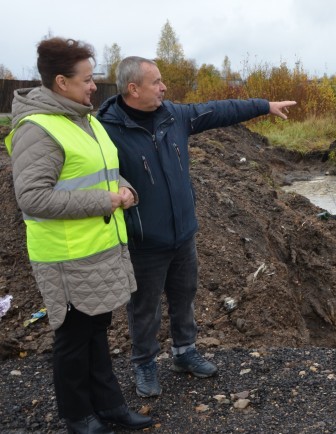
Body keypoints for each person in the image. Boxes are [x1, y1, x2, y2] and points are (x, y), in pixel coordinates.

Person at [96, 56, 296, 398]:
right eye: (156, 82)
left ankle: (184, 352)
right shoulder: (105, 130)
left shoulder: (174, 116)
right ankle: (144, 363)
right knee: (144, 308)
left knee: (184, 296)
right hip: (144, 240)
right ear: (133, 88)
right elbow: (94, 174)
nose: (163, 87)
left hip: (183, 233)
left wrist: (264, 105)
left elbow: (219, 110)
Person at [5, 38, 153, 434]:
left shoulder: (83, 120)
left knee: (96, 332)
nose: (94, 85)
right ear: (60, 82)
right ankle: (77, 416)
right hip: (66, 257)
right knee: (73, 340)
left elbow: (103, 170)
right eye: (87, 79)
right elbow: (33, 198)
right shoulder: (38, 129)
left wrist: (125, 190)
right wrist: (105, 200)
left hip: (100, 251)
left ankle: (110, 406)